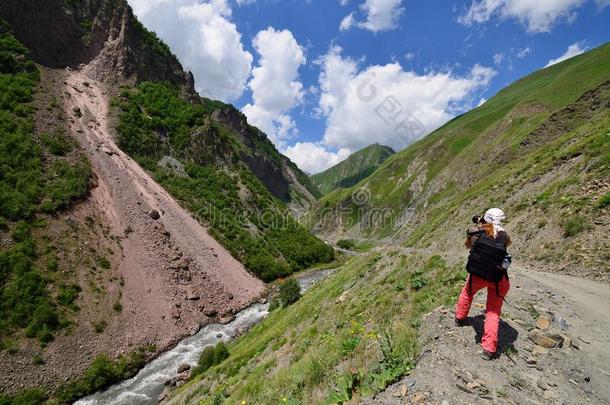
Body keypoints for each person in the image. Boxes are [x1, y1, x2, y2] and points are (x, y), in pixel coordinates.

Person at [455, 208, 512, 360]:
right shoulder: (504, 236)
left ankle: (460, 318)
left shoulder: (477, 233)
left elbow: (468, 245)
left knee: (467, 293)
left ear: (485, 219)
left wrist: (478, 226)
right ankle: (488, 349)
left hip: (478, 274)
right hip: (497, 277)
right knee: (493, 311)